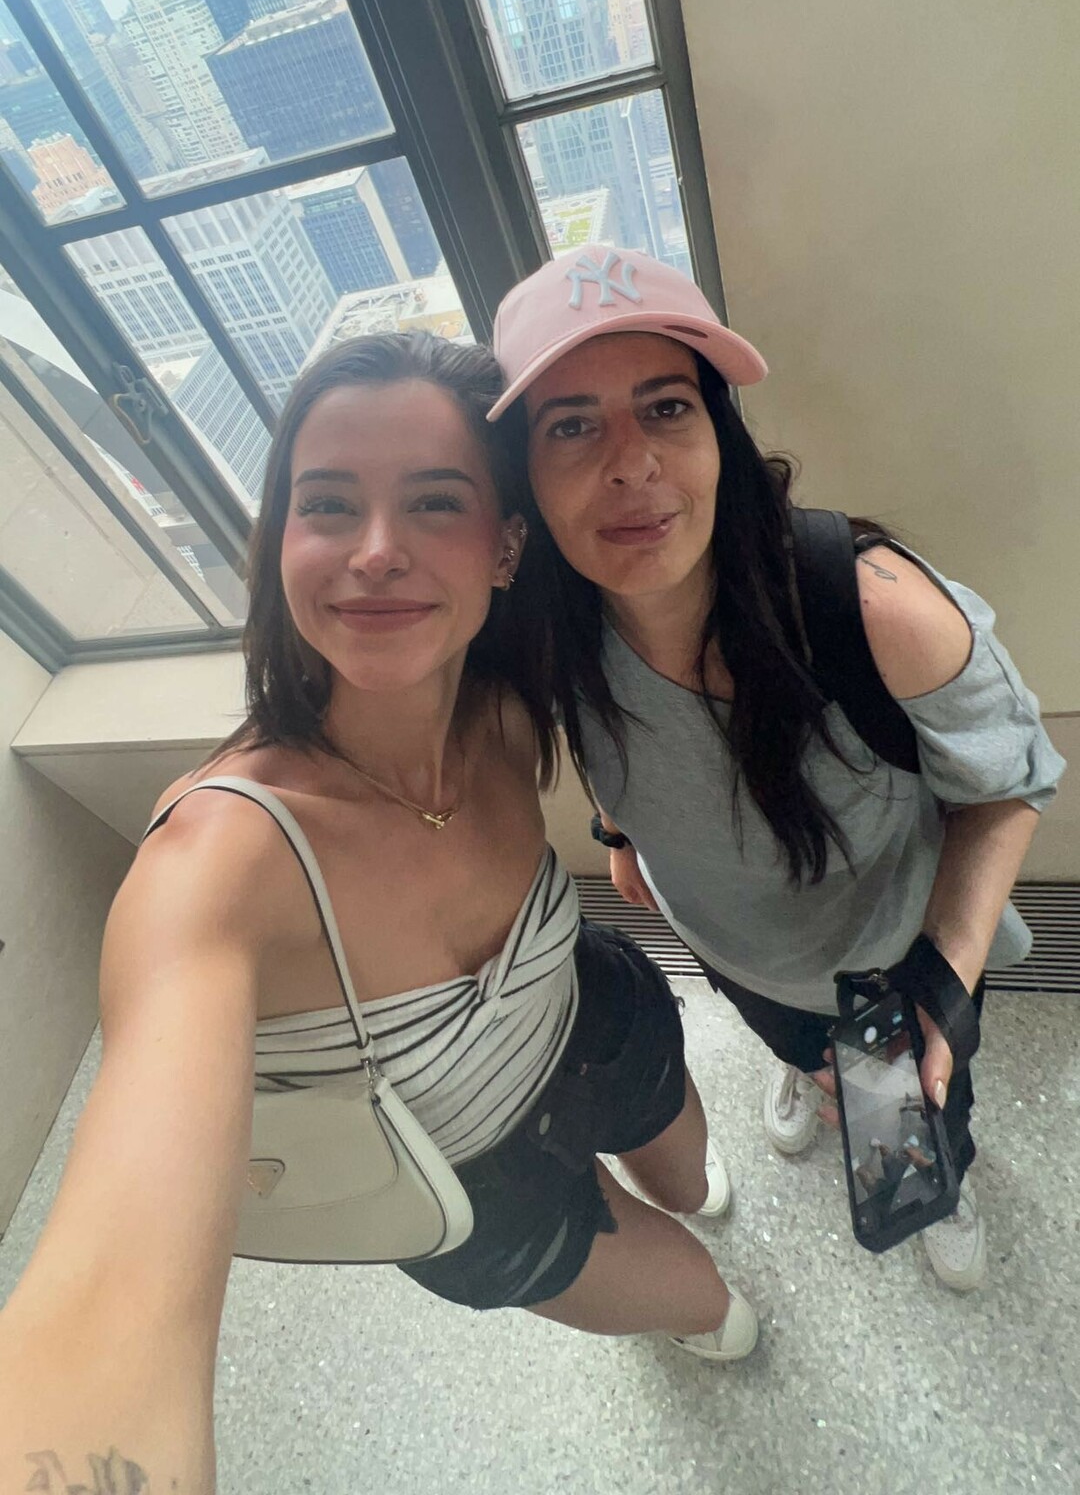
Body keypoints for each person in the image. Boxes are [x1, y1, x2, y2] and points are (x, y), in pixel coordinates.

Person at [0, 331, 759, 1495]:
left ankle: (691, 1191)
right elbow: (111, 1290)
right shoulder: (219, 866)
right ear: (280, 543)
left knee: (694, 1178)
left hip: (600, 1020)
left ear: (505, 546)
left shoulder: (509, 699)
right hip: (472, 1187)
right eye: (328, 505)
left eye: (435, 501)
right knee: (704, 1299)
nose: (374, 551)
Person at [490, 244, 1065, 1294]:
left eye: (665, 408)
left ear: (719, 432)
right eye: (571, 425)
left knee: (918, 1117)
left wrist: (941, 978)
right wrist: (620, 835)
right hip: (729, 947)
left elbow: (1007, 785)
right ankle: (805, 1068)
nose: (631, 463)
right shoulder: (553, 629)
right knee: (792, 1043)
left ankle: (944, 1178)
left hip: (886, 971)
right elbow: (599, 737)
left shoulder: (872, 610)